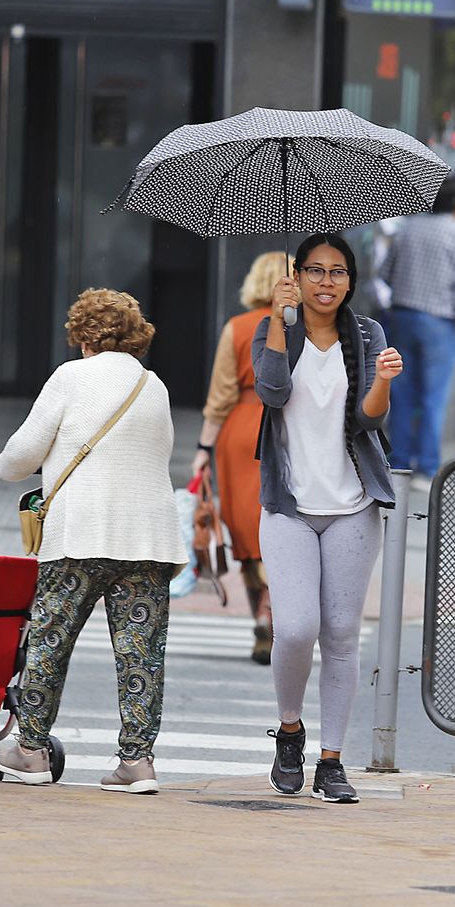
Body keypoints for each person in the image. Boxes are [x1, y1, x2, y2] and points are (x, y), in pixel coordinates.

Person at [0, 290, 186, 794]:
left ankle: (30, 750)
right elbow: (158, 452)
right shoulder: (153, 385)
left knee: (50, 642)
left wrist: (1, 466)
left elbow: (23, 454)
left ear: (83, 336)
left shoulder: (70, 377)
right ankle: (137, 762)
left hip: (81, 533)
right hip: (148, 539)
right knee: (142, 653)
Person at [254, 234, 404, 804]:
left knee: (341, 634)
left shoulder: (366, 335)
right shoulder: (274, 331)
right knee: (296, 628)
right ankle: (289, 730)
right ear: (296, 277)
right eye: (314, 270)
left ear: (351, 280)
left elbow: (368, 419)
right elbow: (272, 392)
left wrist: (383, 379)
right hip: (289, 506)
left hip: (353, 506)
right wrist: (277, 317)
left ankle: (332, 761)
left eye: (337, 271)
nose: (325, 282)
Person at [193, 251, 283, 664]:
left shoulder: (238, 327)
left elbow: (220, 396)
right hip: (285, 428)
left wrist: (203, 449)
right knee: (283, 529)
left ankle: (260, 625)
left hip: (240, 432)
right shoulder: (302, 328)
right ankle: (272, 612)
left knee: (248, 537)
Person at [377, 177, 455, 485]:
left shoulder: (407, 230)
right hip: (441, 322)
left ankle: (398, 464)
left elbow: (385, 273)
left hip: (402, 317)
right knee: (434, 398)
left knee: (401, 393)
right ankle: (426, 468)